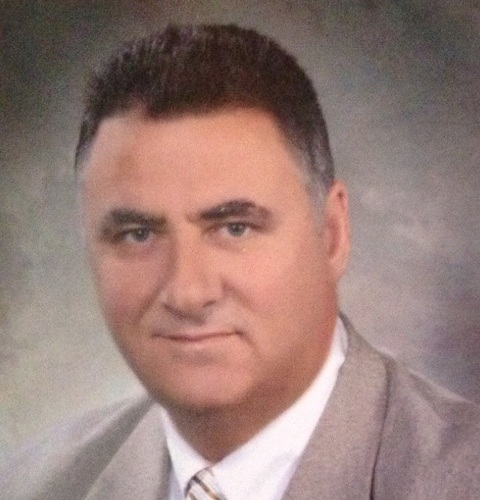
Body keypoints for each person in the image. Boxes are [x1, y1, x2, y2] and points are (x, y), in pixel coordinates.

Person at [1, 23, 479, 500]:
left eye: (235, 228)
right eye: (138, 234)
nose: (187, 292)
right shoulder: (28, 485)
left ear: (332, 235)